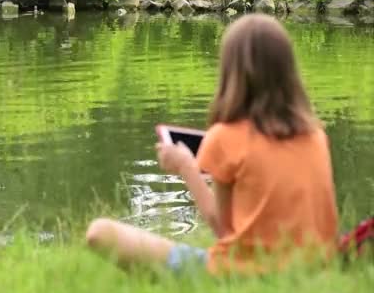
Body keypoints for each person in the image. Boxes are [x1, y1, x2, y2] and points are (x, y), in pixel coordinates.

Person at [85, 14, 339, 275]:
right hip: (314, 268)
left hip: (242, 273)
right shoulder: (316, 137)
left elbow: (223, 230)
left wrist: (186, 167)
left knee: (100, 232)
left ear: (231, 72)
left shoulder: (224, 138)